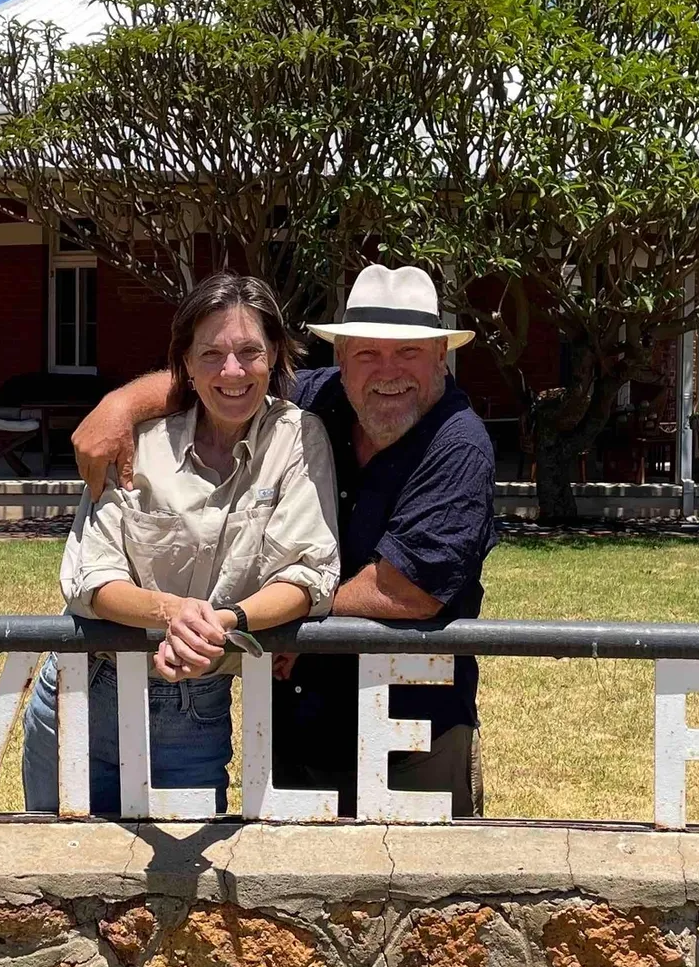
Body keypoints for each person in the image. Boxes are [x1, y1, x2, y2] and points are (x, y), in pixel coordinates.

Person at [74, 264, 496, 815]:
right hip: (296, 710)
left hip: (414, 721)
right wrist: (120, 406)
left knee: (420, 884)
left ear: (442, 355)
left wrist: (281, 611)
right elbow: (223, 383)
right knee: (292, 879)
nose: (387, 372)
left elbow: (406, 591)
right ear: (340, 358)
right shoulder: (325, 398)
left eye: (409, 353)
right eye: (368, 353)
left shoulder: (459, 445)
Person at [21, 272, 339, 815]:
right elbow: (89, 579)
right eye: (211, 354)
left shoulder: (298, 438)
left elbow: (310, 576)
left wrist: (224, 622)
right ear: (185, 365)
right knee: (57, 880)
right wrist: (172, 612)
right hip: (80, 692)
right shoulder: (137, 441)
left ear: (275, 356)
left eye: (248, 351)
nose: (232, 371)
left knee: (179, 897)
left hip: (193, 710)